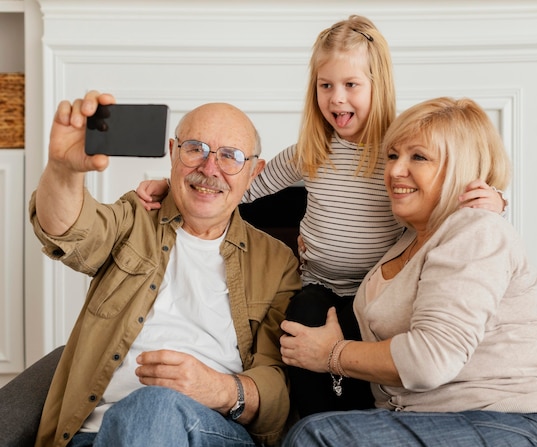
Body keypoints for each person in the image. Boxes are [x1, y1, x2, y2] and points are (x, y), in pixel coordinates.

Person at [136, 15, 506, 417]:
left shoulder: (396, 152)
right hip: (318, 283)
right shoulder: (311, 150)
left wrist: (497, 201)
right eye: (325, 85)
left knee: (361, 350)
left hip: (374, 294)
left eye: (351, 85)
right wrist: (174, 188)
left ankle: (359, 424)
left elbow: (448, 192)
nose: (336, 98)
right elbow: (243, 185)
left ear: (376, 86)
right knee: (301, 323)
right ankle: (307, 424)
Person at [279, 97, 537, 447]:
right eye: (392, 155)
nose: (394, 171)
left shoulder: (476, 230)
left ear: (462, 167)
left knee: (317, 436)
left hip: (517, 422)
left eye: (418, 157)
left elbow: (430, 360)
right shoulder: (406, 242)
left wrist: (333, 355)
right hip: (427, 420)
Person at [29, 91, 301, 447]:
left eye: (230, 156)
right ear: (173, 152)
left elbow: (277, 384)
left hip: (210, 433)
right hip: (92, 435)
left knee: (152, 406)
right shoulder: (134, 219)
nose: (209, 168)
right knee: (146, 409)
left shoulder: (277, 263)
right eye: (195, 148)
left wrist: (217, 389)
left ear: (253, 172)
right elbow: (70, 231)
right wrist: (63, 170)